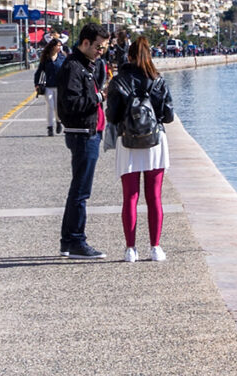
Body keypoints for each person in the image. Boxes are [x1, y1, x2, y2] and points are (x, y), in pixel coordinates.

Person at [104, 38, 174, 262]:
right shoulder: (158, 80)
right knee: (154, 197)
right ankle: (155, 248)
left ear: (130, 56)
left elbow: (113, 116)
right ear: (150, 55)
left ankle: (130, 249)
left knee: (130, 197)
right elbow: (169, 116)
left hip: (128, 142)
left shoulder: (119, 81)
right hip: (155, 142)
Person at [52, 23, 110, 261]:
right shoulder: (73, 67)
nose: (100, 52)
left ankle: (68, 241)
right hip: (82, 133)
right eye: (98, 47)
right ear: (84, 42)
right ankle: (76, 240)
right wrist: (98, 96)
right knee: (80, 192)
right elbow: (71, 103)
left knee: (78, 189)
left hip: (89, 132)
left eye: (104, 48)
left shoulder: (88, 65)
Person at [33, 38, 63, 137]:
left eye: (60, 46)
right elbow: (38, 72)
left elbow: (67, 72)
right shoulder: (46, 59)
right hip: (48, 86)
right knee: (50, 106)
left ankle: (58, 122)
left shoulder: (62, 58)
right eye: (58, 45)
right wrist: (36, 84)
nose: (59, 47)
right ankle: (50, 127)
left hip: (59, 87)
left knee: (57, 108)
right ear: (53, 46)